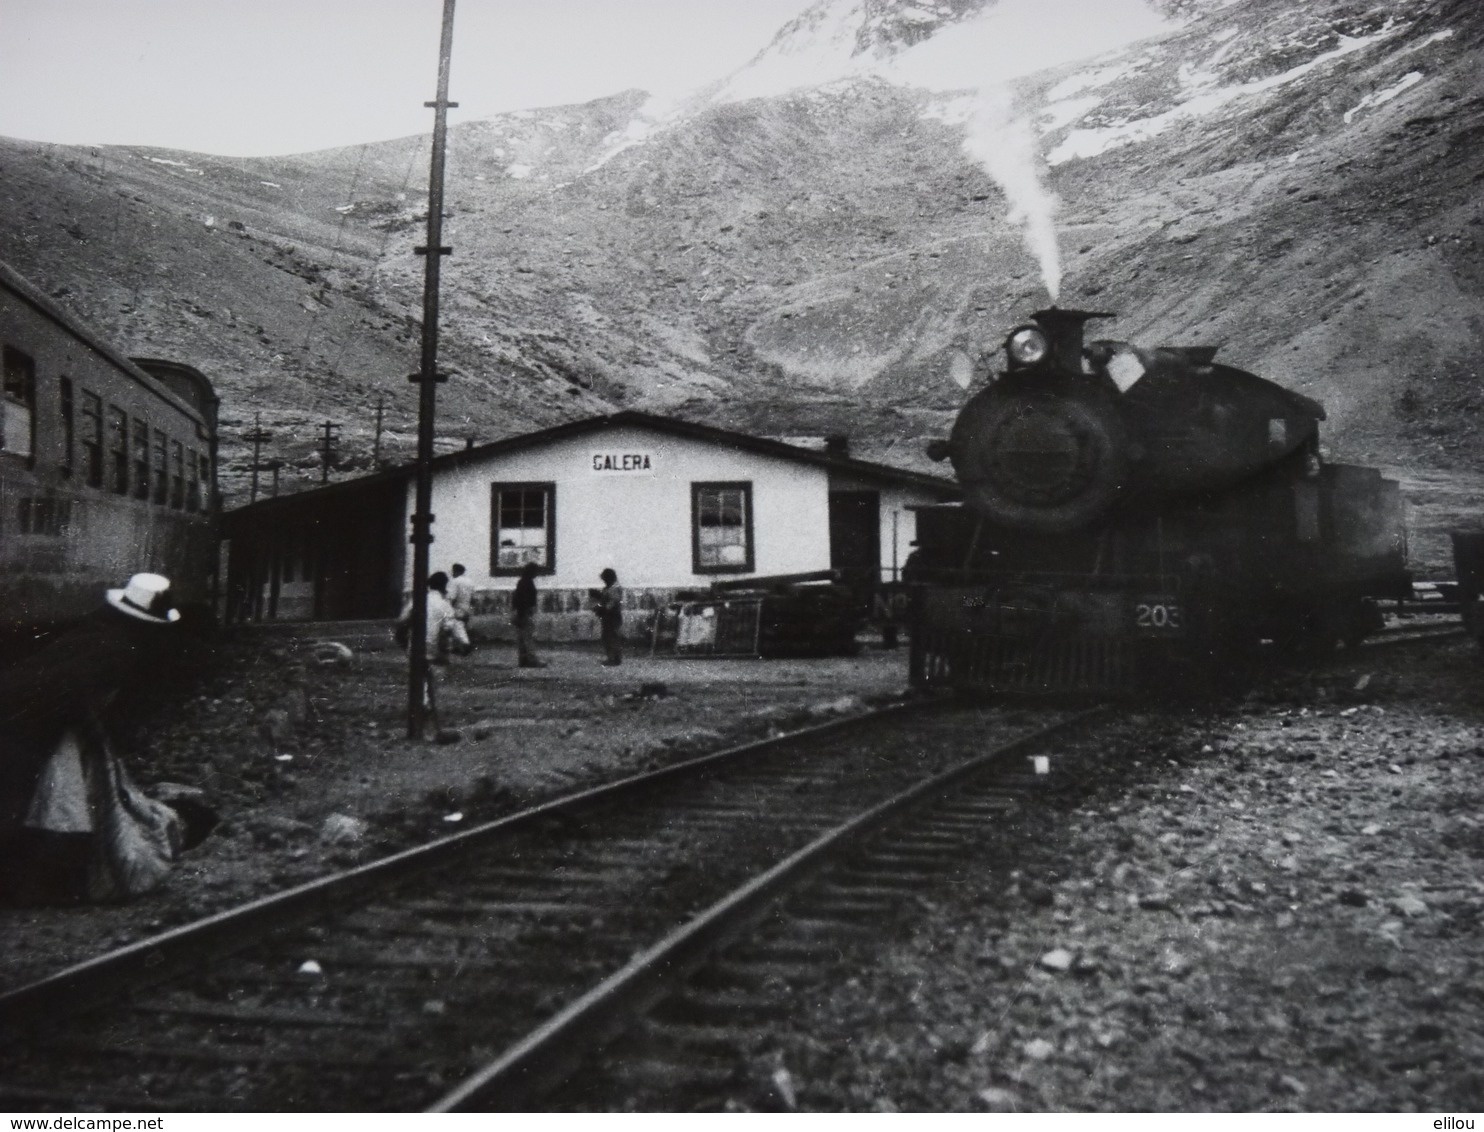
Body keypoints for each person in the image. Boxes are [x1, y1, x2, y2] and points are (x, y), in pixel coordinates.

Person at [0, 573, 216, 904]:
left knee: (50, 803)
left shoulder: (91, 634)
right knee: (63, 804)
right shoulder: (117, 651)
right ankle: (50, 884)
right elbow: (66, 698)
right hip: (44, 728)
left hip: (36, 722)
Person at [396, 571, 469, 664]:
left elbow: (402, 620)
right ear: (444, 586)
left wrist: (404, 642)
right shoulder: (444, 604)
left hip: (415, 648)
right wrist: (464, 642)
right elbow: (452, 626)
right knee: (436, 674)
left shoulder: (416, 600)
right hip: (435, 650)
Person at [511, 561, 545, 668]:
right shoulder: (528, 582)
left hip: (520, 612)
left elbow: (517, 598)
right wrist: (524, 613)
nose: (537, 574)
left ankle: (523, 659)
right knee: (528, 636)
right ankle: (531, 659)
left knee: (521, 637)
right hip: (525, 612)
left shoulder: (522, 581)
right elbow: (524, 600)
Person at [590, 567, 624, 667]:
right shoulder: (610, 588)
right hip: (609, 615)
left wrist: (601, 608)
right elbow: (605, 600)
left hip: (612, 615)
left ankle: (613, 658)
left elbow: (612, 603)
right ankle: (614, 658)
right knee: (609, 636)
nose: (604, 581)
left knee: (611, 637)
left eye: (605, 579)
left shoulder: (614, 588)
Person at [447, 563, 475, 639]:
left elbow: (452, 597)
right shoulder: (470, 581)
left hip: (457, 608)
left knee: (456, 629)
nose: (452, 573)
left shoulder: (455, 581)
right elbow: (473, 598)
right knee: (464, 628)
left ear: (456, 571)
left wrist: (449, 609)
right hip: (467, 608)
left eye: (453, 571)